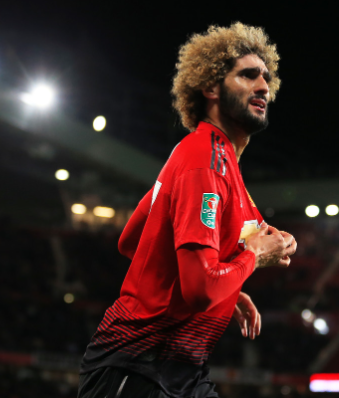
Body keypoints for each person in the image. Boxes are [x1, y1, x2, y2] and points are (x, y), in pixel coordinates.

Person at [78, 22, 297, 398]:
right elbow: (200, 289)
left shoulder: (208, 158)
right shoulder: (205, 161)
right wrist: (251, 258)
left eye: (266, 77)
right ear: (210, 87)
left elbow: (132, 241)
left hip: (180, 371)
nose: (263, 86)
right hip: (137, 367)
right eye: (248, 75)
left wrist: (228, 288)